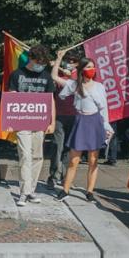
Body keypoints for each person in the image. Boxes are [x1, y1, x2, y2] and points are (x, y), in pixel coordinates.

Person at [51, 52, 113, 202]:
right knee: (74, 160)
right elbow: (54, 77)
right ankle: (65, 190)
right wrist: (59, 58)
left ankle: (90, 192)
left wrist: (107, 126)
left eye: (93, 67)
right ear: (82, 69)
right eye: (88, 67)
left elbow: (104, 109)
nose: (92, 69)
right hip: (80, 121)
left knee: (93, 160)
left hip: (95, 122)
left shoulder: (99, 86)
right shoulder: (74, 84)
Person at [7, 45, 56, 206]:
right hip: (22, 122)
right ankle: (23, 192)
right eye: (39, 62)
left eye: (43, 63)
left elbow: (51, 101)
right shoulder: (16, 74)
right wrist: (10, 120)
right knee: (25, 156)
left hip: (40, 122)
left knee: (37, 157)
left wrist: (52, 122)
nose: (40, 65)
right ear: (31, 58)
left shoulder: (47, 77)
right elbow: (11, 98)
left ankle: (31, 190)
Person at [47, 51, 79, 188]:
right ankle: (53, 176)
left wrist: (66, 71)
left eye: (73, 61)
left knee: (69, 148)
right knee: (57, 146)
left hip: (75, 116)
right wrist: (58, 62)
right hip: (59, 116)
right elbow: (52, 77)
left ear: (78, 63)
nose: (70, 63)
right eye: (68, 60)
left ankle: (66, 177)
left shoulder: (79, 76)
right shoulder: (59, 75)